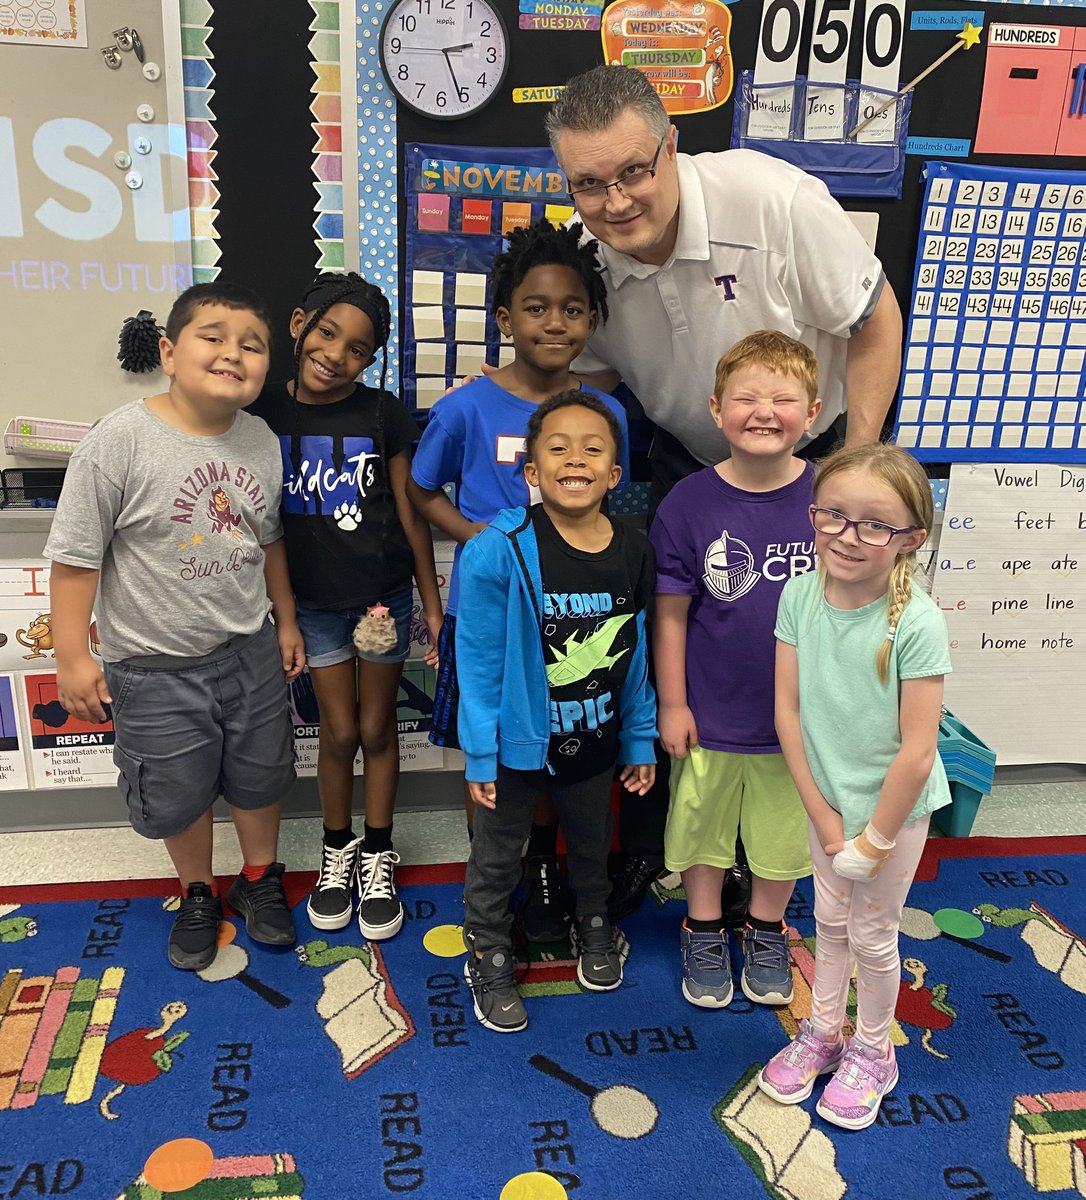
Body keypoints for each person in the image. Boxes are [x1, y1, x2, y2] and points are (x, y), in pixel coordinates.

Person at [544, 63, 904, 919]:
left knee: (817, 659)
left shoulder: (772, 200)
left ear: (672, 148)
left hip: (815, 449)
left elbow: (874, 319)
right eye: (589, 183)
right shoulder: (583, 254)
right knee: (680, 660)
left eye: (634, 170)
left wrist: (849, 477)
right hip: (686, 458)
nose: (616, 199)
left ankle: (797, 855)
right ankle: (683, 855)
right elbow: (581, 374)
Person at [47, 281, 303, 971]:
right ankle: (197, 890)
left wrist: (284, 622)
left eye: (251, 345)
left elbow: (269, 539)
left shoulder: (260, 440)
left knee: (260, 776)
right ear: (168, 349)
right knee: (177, 788)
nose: (232, 354)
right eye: (213, 336)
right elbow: (75, 559)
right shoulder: (119, 441)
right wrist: (72, 656)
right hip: (152, 668)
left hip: (247, 650)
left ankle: (259, 880)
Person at [408, 218, 629, 943]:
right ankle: (501, 875)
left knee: (565, 756)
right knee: (498, 762)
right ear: (505, 318)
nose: (555, 322)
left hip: (574, 622)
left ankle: (550, 871)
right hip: (492, 624)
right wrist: (478, 541)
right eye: (536, 307)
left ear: (592, 319)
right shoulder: (465, 407)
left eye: (573, 308)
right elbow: (422, 487)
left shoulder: (607, 412)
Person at [757, 443, 950, 1129]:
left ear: (910, 540)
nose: (847, 534)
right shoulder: (799, 593)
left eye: (874, 523)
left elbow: (918, 753)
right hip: (829, 803)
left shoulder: (917, 622)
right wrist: (825, 817)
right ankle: (824, 1030)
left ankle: (874, 1051)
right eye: (833, 514)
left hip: (892, 816)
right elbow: (788, 712)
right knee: (828, 925)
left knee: (873, 935)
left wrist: (870, 840)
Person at [247, 272, 442, 942]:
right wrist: (286, 616)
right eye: (329, 332)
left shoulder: (384, 413)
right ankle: (338, 850)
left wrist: (432, 602)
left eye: (358, 348)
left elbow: (413, 518)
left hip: (378, 602)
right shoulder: (265, 412)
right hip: (312, 604)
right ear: (300, 322)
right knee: (337, 733)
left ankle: (378, 851)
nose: (336, 353)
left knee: (377, 728)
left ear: (371, 360)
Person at [456, 391, 656, 1032]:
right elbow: (479, 659)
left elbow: (636, 649)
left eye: (593, 449)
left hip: (596, 739)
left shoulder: (634, 546)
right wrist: (482, 751)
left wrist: (639, 738)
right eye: (559, 449)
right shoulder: (499, 547)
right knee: (497, 851)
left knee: (592, 841)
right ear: (533, 472)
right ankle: (486, 943)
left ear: (614, 474)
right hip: (516, 743)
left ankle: (592, 920)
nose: (577, 459)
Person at [651, 331, 821, 1010]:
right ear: (718, 409)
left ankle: (768, 927)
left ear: (812, 413)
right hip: (709, 710)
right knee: (701, 828)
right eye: (747, 397)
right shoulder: (688, 504)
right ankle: (703, 925)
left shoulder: (830, 495)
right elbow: (668, 613)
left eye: (784, 398)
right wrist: (672, 703)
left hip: (798, 721)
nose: (764, 410)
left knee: (783, 833)